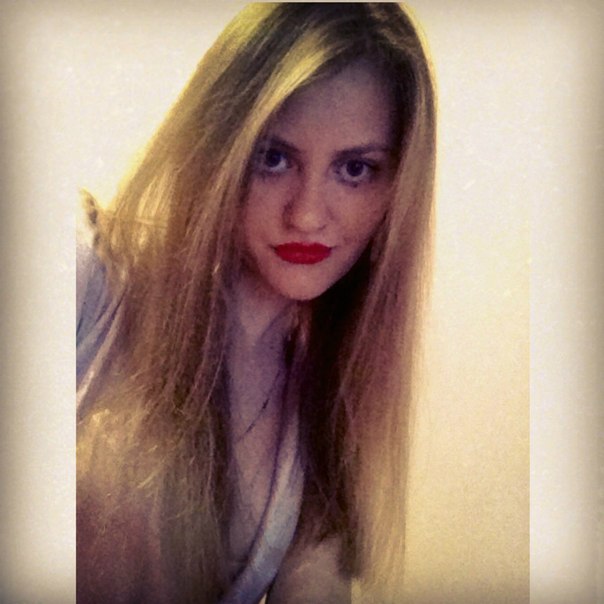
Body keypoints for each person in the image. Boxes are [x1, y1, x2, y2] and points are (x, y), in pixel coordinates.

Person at [76, 3, 436, 603]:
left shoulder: (322, 421)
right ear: (219, 149)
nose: (307, 214)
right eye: (273, 158)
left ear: (397, 188)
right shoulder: (90, 276)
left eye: (354, 169)